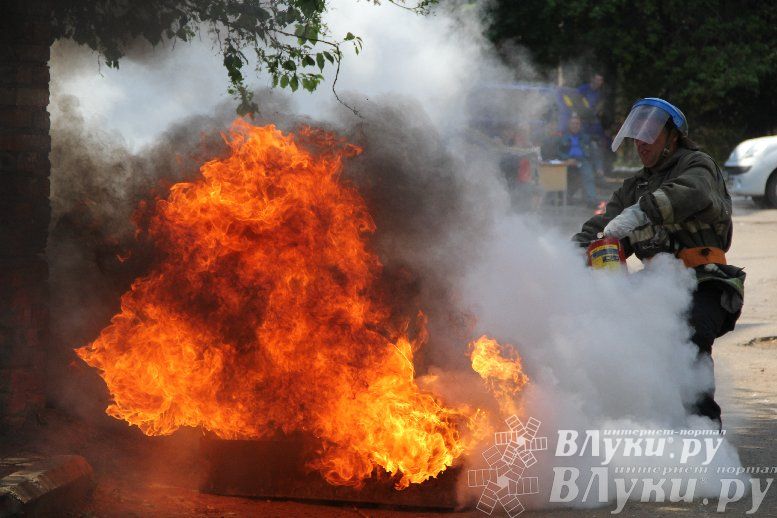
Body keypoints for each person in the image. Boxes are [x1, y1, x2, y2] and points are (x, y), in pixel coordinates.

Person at [572, 98, 746, 429]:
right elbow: (601, 230)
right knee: (613, 339)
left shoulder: (698, 166)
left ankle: (704, 434)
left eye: (649, 136)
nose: (641, 144)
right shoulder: (632, 187)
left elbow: (692, 193)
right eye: (636, 137)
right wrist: (568, 254)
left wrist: (641, 212)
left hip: (706, 282)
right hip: (655, 289)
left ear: (673, 136)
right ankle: (652, 431)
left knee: (690, 337)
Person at [559, 113, 602, 208]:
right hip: (568, 162)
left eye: (577, 123)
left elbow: (595, 154)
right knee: (563, 176)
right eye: (573, 123)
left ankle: (591, 200)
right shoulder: (563, 137)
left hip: (582, 161)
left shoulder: (586, 138)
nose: (575, 125)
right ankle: (565, 197)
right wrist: (567, 159)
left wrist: (599, 167)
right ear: (569, 125)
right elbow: (558, 152)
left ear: (580, 125)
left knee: (588, 174)